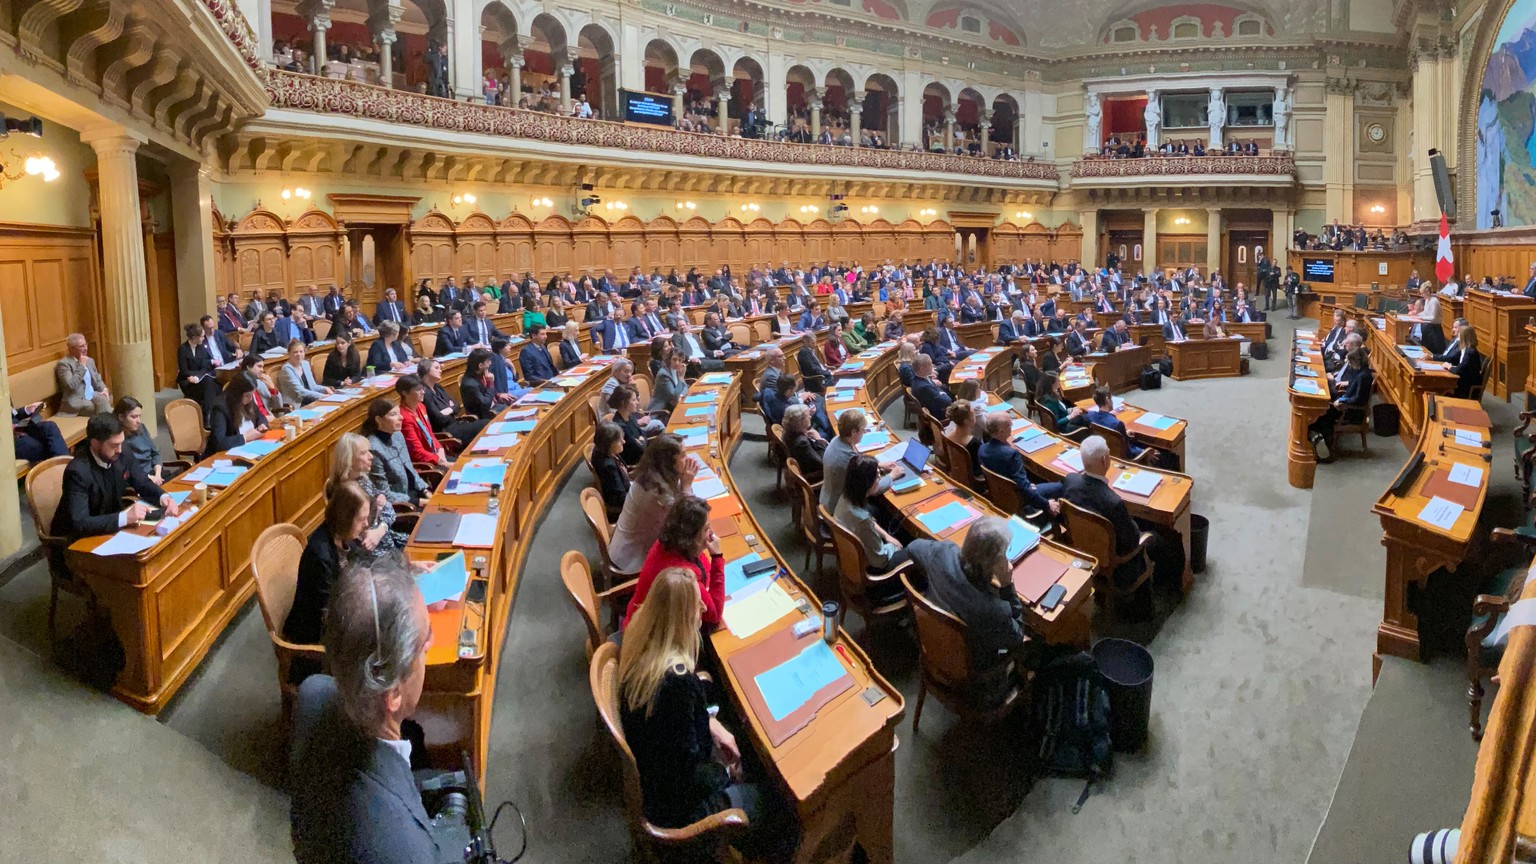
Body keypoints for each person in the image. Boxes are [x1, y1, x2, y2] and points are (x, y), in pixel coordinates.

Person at [617, 568, 795, 860]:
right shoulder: (676, 684)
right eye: (696, 604)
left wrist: (710, 723)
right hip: (681, 812)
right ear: (680, 618)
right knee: (779, 804)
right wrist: (725, 773)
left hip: (658, 783)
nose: (703, 608)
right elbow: (687, 777)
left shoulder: (642, 647)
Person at [907, 515, 1026, 709]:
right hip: (973, 673)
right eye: (1005, 553)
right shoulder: (993, 609)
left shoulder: (943, 552)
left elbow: (913, 548)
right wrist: (1007, 586)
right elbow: (1017, 636)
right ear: (991, 563)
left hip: (933, 647)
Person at [1061, 435, 1177, 590]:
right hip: (1117, 564)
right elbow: (1132, 539)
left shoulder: (1070, 481)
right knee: (1158, 538)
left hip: (1083, 548)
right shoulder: (1114, 502)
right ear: (1105, 460)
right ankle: (1167, 586)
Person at [51, 412, 176, 542]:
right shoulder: (77, 471)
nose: (120, 450)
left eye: (121, 443)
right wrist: (124, 517)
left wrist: (163, 497)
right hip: (77, 540)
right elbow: (80, 523)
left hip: (110, 527)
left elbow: (142, 481)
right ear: (95, 443)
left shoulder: (122, 451)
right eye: (114, 445)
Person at [282, 482, 369, 647]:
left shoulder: (346, 536)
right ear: (345, 518)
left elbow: (364, 568)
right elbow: (330, 610)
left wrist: (407, 567)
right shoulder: (319, 555)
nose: (366, 525)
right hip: (316, 633)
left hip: (343, 613)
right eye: (361, 520)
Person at [622, 495, 726, 629]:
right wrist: (717, 557)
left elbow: (703, 571)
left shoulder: (670, 542)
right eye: (706, 529)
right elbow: (714, 616)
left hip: (640, 621)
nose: (711, 533)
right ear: (692, 537)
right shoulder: (682, 574)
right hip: (646, 637)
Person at [609, 434, 699, 574]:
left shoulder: (654, 474)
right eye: (683, 455)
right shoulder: (656, 490)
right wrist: (687, 485)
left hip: (627, 545)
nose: (687, 459)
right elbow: (687, 520)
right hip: (631, 558)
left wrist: (684, 482)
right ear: (668, 461)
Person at [327, 432, 407, 560]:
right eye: (363, 453)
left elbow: (389, 510)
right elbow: (356, 535)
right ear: (349, 458)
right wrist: (378, 513)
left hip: (386, 538)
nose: (371, 457)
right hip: (372, 554)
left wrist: (380, 528)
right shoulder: (345, 492)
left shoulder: (363, 479)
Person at [833, 455, 910, 577]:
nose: (880, 478)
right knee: (916, 549)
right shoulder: (862, 520)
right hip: (874, 570)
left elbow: (868, 521)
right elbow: (880, 560)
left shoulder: (846, 496)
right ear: (867, 483)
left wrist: (886, 535)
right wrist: (893, 547)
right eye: (877, 476)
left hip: (856, 555)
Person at [977, 412, 1063, 515]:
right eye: (1010, 425)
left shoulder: (982, 449)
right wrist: (1047, 504)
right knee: (1062, 485)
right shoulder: (1011, 455)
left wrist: (1025, 483)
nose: (1012, 427)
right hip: (1018, 499)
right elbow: (1024, 489)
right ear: (1001, 431)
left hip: (1000, 493)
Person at [364, 398, 431, 508]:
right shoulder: (373, 449)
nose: (401, 417)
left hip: (416, 493)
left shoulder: (397, 435)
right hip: (402, 504)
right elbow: (384, 493)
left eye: (399, 413)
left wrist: (425, 491)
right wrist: (419, 501)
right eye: (393, 414)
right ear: (378, 420)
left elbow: (410, 468)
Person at [820, 408, 890, 513]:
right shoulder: (851, 459)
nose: (864, 432)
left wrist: (879, 465)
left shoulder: (836, 440)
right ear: (853, 432)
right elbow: (871, 489)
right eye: (862, 429)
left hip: (827, 497)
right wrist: (892, 476)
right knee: (882, 511)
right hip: (838, 508)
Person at [1310, 348, 1375, 446]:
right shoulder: (1361, 372)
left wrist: (1342, 400)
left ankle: (1326, 446)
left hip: (1353, 411)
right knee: (1321, 411)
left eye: (1350, 362)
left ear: (1356, 361)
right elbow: (1353, 386)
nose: (1349, 364)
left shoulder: (1363, 376)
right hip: (1347, 403)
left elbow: (1358, 398)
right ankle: (1318, 440)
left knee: (1322, 415)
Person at [416, 358, 488, 444]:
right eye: (436, 368)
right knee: (485, 424)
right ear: (426, 371)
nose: (440, 371)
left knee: (487, 423)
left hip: (456, 423)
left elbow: (457, 405)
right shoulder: (425, 394)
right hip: (446, 431)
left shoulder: (437, 387)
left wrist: (449, 410)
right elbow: (439, 418)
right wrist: (451, 409)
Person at [205, 375, 269, 458]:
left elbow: (260, 417)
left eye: (251, 395)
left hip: (251, 450)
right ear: (237, 393)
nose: (250, 399)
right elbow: (219, 442)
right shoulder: (220, 407)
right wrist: (245, 437)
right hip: (225, 455)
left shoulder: (248, 400)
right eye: (247, 396)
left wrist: (262, 425)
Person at [396, 375, 452, 468]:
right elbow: (416, 452)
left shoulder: (421, 407)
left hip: (435, 454)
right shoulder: (404, 417)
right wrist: (439, 460)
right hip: (425, 463)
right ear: (405, 393)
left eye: (423, 389)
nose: (423, 392)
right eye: (418, 390)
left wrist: (440, 450)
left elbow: (430, 434)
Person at [1077, 385, 1146, 458]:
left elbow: (1111, 435)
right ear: (1107, 400)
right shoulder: (1117, 424)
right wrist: (1144, 452)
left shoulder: (1090, 416)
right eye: (1112, 399)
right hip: (1121, 455)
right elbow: (1128, 452)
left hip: (1105, 450)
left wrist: (1124, 434)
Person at [54, 333, 110, 416]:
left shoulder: (89, 360)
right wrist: (81, 366)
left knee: (104, 399)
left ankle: (107, 424)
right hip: (76, 401)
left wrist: (104, 389)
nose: (86, 348)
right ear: (71, 349)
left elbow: (97, 378)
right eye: (81, 346)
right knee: (101, 405)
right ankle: (108, 425)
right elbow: (71, 385)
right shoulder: (64, 364)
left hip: (92, 395)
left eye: (85, 345)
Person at [114, 397, 166, 484]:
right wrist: (148, 477)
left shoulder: (142, 428)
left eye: (139, 416)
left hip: (156, 474)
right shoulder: (117, 438)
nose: (138, 421)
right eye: (134, 417)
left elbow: (155, 453)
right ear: (121, 417)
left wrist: (158, 474)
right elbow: (125, 469)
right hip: (139, 480)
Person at [176, 323, 222, 409]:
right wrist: (195, 377)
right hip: (188, 381)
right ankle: (209, 412)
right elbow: (184, 371)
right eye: (201, 336)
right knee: (210, 385)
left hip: (200, 378)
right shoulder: (183, 349)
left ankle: (209, 411)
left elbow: (205, 366)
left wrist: (198, 376)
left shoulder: (201, 347)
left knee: (214, 385)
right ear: (194, 338)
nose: (203, 338)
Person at [592, 421, 631, 518]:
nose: (624, 441)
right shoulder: (609, 467)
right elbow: (621, 498)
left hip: (628, 489)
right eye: (619, 440)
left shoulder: (608, 452)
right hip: (622, 506)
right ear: (609, 443)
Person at [278, 340, 333, 406]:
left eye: (301, 352)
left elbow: (313, 386)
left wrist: (325, 389)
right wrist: (322, 396)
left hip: (309, 400)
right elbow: (300, 391)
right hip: (296, 404)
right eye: (295, 352)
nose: (299, 354)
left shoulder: (305, 364)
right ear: (289, 354)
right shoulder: (286, 369)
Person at [782, 403, 827, 484]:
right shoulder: (802, 443)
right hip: (815, 476)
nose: (810, 416)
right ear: (800, 421)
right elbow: (822, 463)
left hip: (805, 461)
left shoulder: (788, 432)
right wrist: (818, 440)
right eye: (807, 415)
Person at [943, 400, 983, 485]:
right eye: (973, 415)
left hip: (956, 475)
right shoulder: (974, 444)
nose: (975, 416)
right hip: (973, 482)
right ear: (966, 421)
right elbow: (979, 470)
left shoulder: (948, 435)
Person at [609, 385, 650, 465]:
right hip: (638, 463)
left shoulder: (630, 416)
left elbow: (643, 433)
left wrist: (641, 440)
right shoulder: (621, 426)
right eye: (634, 400)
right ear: (623, 403)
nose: (637, 403)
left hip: (643, 455)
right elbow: (640, 449)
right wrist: (641, 440)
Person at [458, 348, 500, 421]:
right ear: (480, 365)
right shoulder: (470, 384)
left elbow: (488, 393)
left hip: (492, 407)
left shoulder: (481, 374)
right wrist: (490, 383)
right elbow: (485, 404)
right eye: (488, 361)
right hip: (483, 416)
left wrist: (498, 395)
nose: (490, 363)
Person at [1443, 324, 1482, 398]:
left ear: (1464, 337)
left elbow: (1459, 370)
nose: (1458, 337)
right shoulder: (1467, 350)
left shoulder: (1470, 353)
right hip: (1465, 381)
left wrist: (1449, 366)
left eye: (1459, 335)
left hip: (1466, 388)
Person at [911, 354, 952, 419]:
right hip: (939, 413)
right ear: (922, 369)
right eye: (930, 364)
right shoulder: (924, 386)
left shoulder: (918, 378)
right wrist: (942, 393)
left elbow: (937, 389)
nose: (932, 366)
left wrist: (940, 392)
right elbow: (947, 401)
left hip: (936, 404)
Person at [650, 348, 688, 418]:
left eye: (679, 360)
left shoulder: (677, 370)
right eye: (674, 359)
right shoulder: (663, 374)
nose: (677, 363)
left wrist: (681, 396)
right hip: (661, 411)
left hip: (674, 406)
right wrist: (681, 378)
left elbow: (685, 387)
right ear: (669, 359)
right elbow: (674, 395)